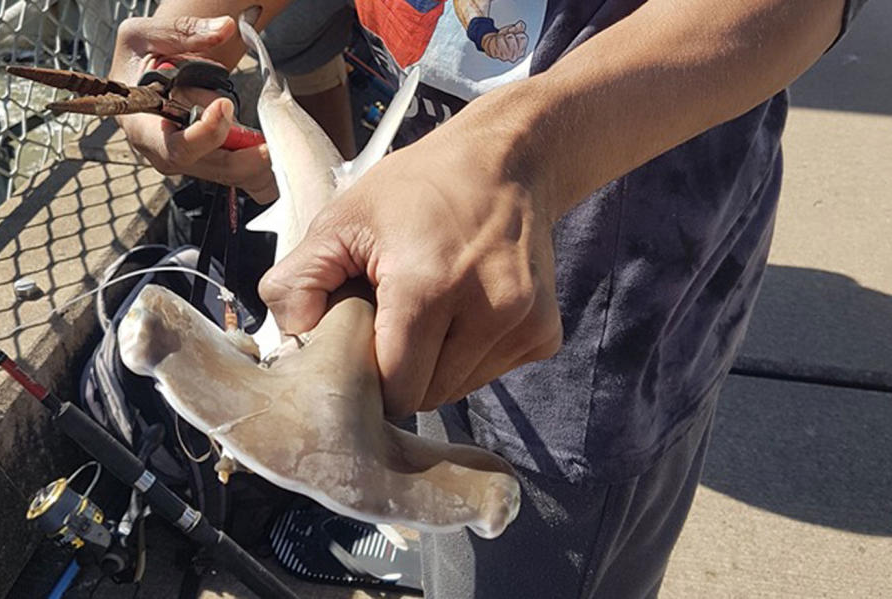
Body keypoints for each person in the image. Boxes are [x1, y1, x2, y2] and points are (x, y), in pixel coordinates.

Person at [110, 1, 866, 596]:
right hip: (408, 171)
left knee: (539, 540)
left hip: (614, 260)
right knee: (443, 482)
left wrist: (524, 149)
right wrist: (189, 35)